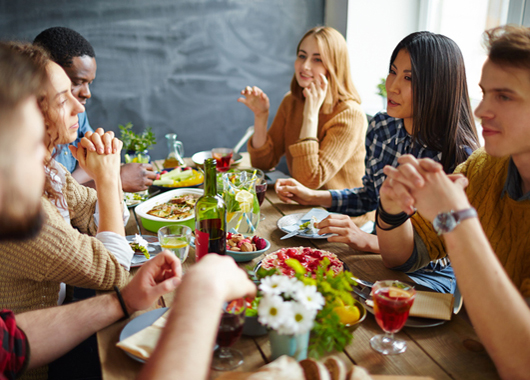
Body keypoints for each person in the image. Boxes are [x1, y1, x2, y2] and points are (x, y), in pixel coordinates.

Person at [0, 44, 257, 380]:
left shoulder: (48, 177)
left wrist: (123, 302)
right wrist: (107, 177)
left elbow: (11, 342)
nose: (46, 159)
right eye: (32, 143)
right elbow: (111, 271)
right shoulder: (29, 214)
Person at [376, 25, 530, 378]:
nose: (481, 111)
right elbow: (401, 257)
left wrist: (455, 218)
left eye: (503, 97)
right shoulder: (482, 167)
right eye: (484, 94)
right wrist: (391, 209)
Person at [275, 31, 479, 293]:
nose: (392, 85)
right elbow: (371, 196)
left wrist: (367, 240)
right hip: (382, 259)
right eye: (393, 71)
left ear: (438, 87)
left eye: (408, 78)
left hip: (431, 279)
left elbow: (443, 251)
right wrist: (313, 196)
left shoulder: (459, 156)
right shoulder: (384, 127)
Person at [0, 42, 133, 315]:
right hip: (41, 354)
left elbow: (99, 215)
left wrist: (107, 178)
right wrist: (107, 177)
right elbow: (114, 271)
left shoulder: (49, 170)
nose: (80, 108)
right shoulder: (23, 207)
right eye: (62, 100)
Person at [239, 26, 368, 191]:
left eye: (317, 59)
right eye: (302, 56)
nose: (305, 66)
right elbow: (263, 163)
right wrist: (261, 117)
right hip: (303, 209)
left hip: (342, 214)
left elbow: (309, 181)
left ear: (335, 67)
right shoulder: (292, 101)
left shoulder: (350, 115)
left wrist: (310, 115)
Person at [33, 26, 156, 193]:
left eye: (89, 83)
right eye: (76, 82)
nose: (87, 94)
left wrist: (79, 184)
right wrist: (112, 180)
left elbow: (90, 162)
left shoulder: (77, 113)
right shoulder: (26, 133)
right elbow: (47, 201)